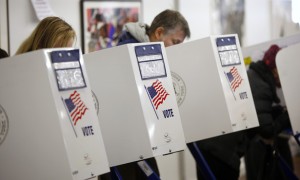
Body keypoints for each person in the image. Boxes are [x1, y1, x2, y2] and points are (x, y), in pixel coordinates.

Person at [99, 9, 190, 180]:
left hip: (140, 143)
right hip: (121, 145)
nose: (176, 50)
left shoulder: (152, 56)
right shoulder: (127, 52)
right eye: (175, 42)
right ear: (159, 32)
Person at [244, 44, 293, 180]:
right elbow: (267, 130)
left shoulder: (255, 75)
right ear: (276, 70)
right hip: (251, 147)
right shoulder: (262, 86)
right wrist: (288, 116)